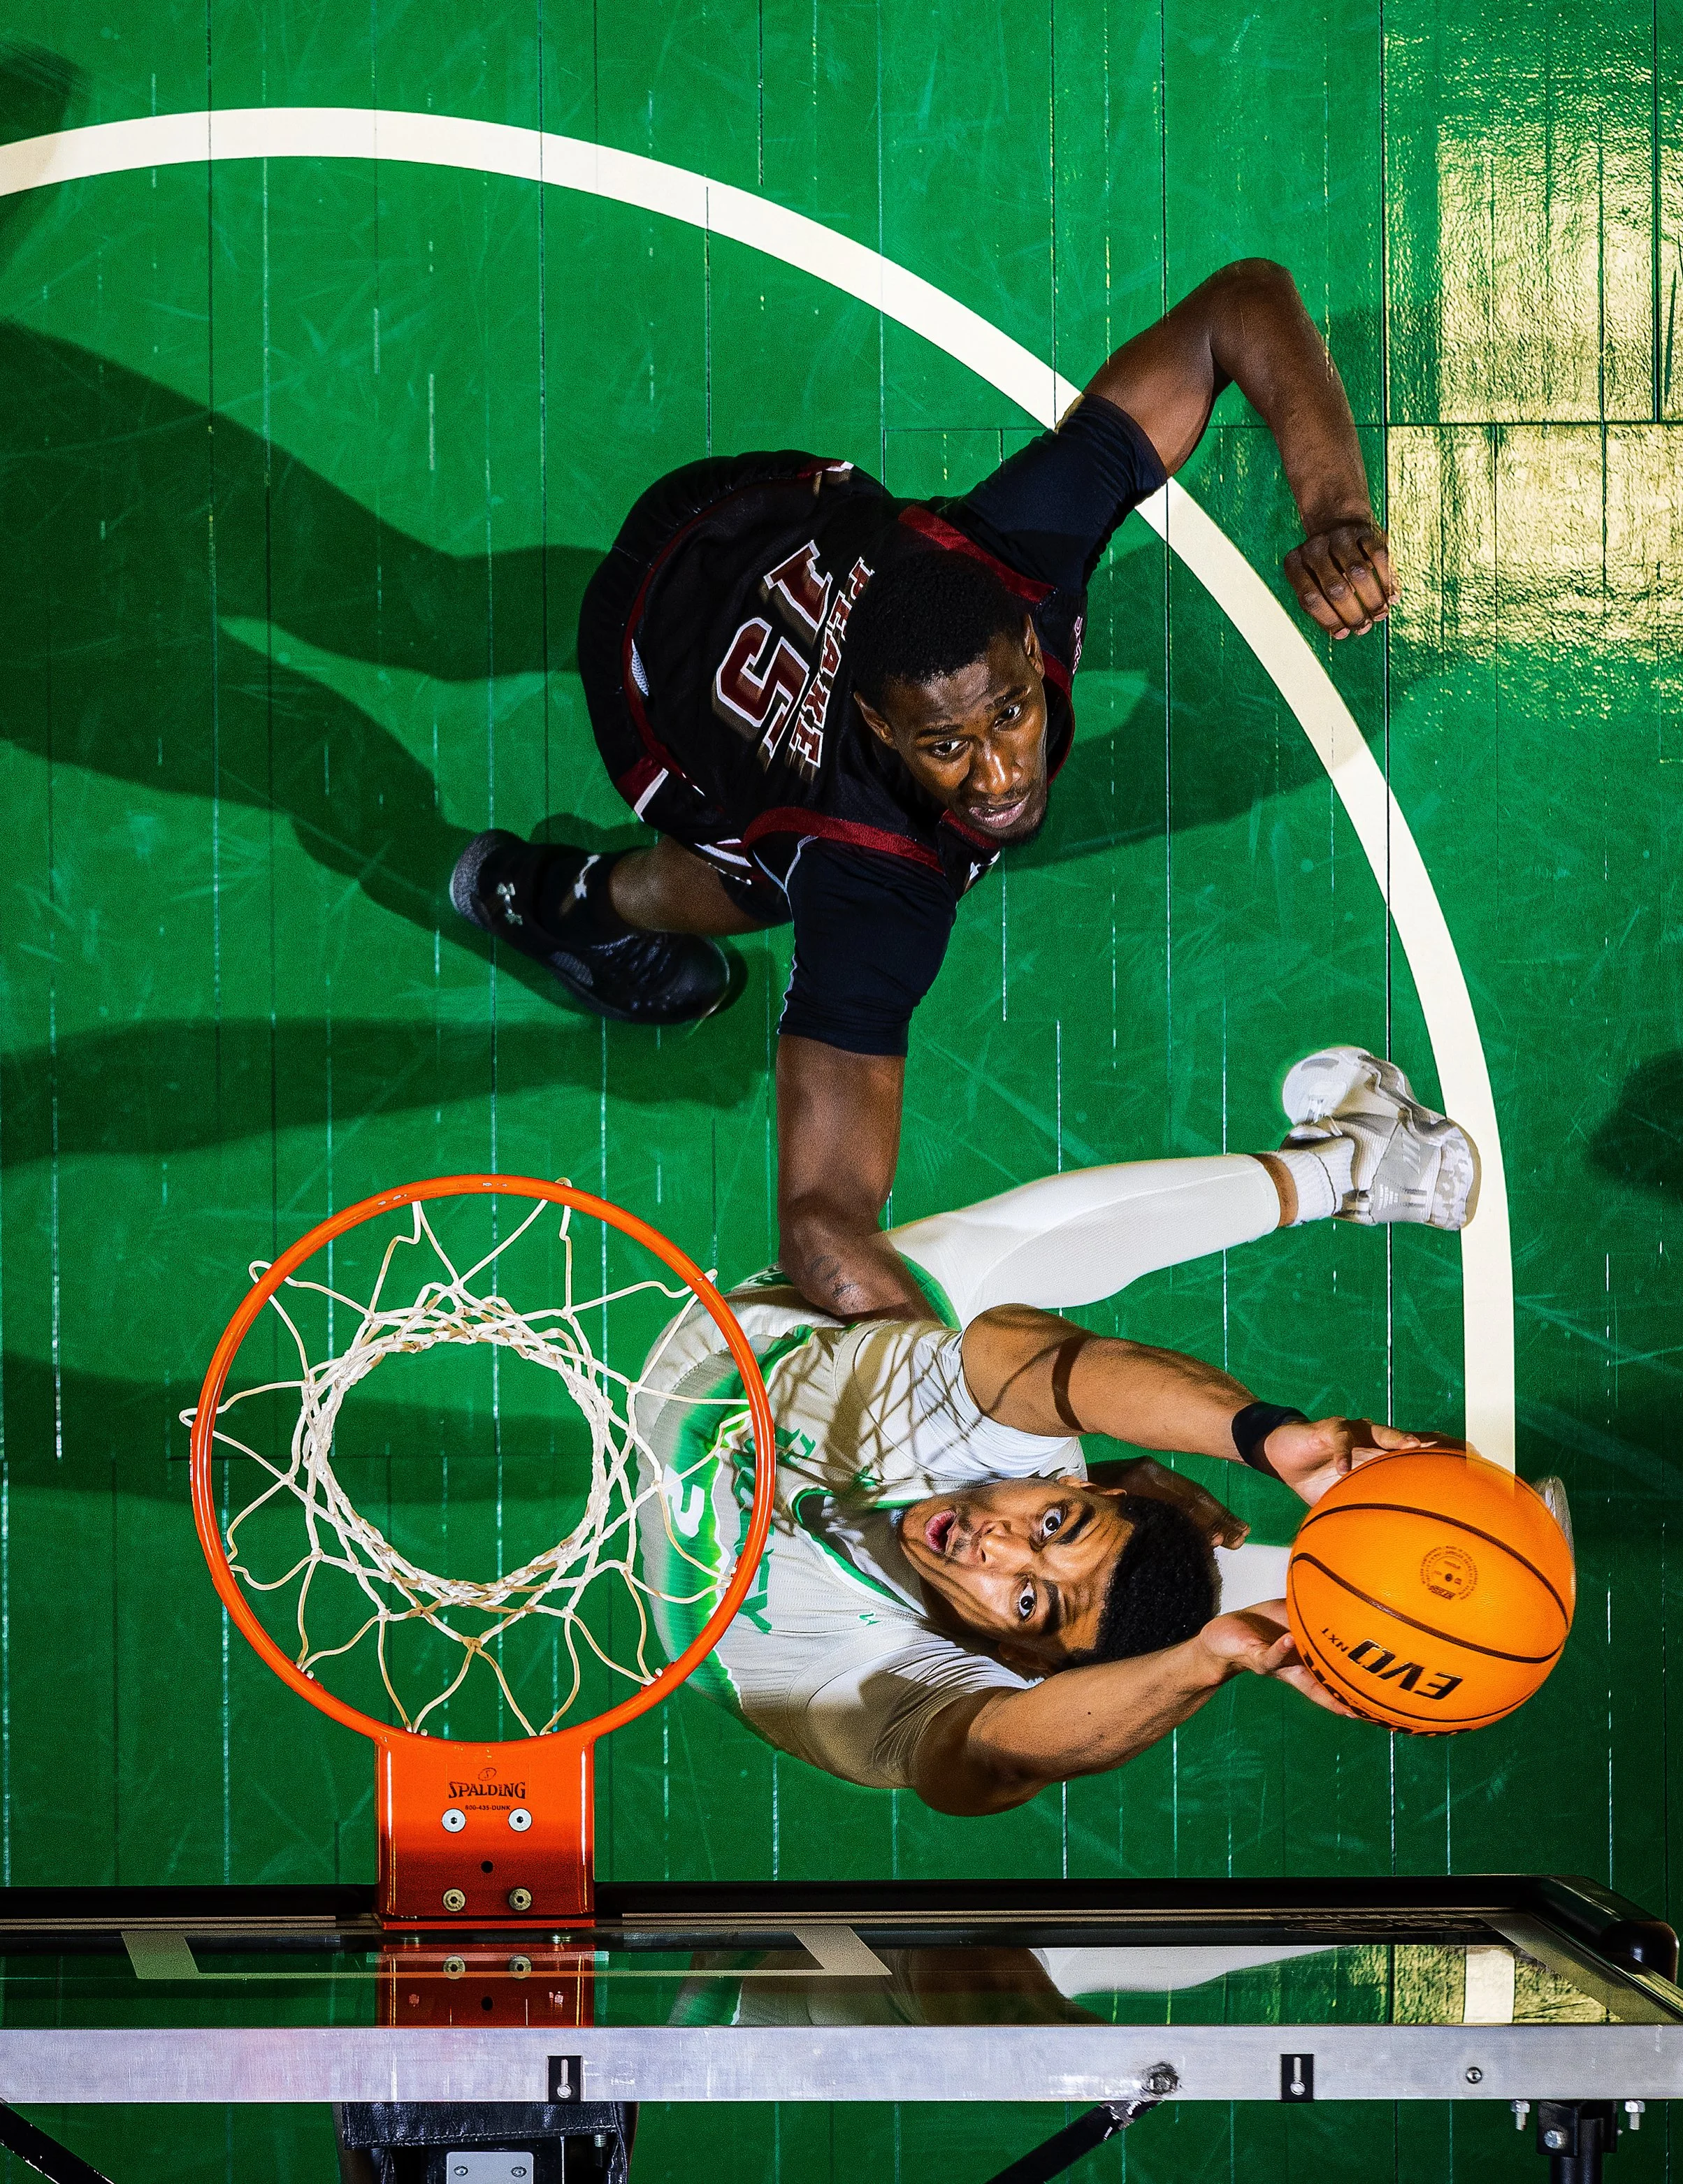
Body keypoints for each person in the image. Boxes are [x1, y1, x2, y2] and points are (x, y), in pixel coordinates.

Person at [450, 260, 1400, 1322]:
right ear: (878, 725)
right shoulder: (871, 880)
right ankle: (562, 899)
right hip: (650, 652)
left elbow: (1241, 303)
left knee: (798, 844)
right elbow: (820, 1220)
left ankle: (560, 892)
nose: (998, 777)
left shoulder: (1025, 542)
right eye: (945, 747)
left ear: (1029, 639)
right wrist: (936, 1379)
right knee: (755, 878)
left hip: (740, 508)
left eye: (1010, 714)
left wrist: (1334, 511)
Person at [630, 1048, 1484, 1818]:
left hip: (684, 1457)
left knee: (880, 1261)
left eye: (1028, 1601)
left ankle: (1418, 1576)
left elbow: (994, 1754)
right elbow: (1050, 1364)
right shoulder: (961, 1443)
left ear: (1021, 1661)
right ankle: (1355, 1167)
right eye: (1053, 1522)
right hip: (735, 1352)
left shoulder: (870, 1688)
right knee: (957, 1293)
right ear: (1084, 1485)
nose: (996, 1545)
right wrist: (1264, 1436)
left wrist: (1204, 1659)